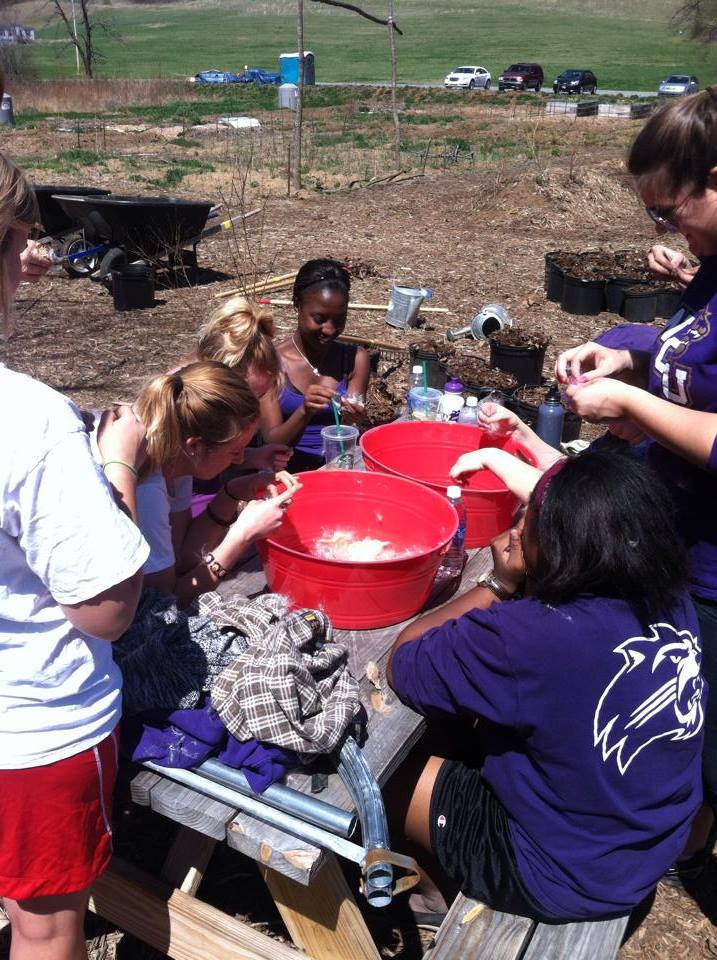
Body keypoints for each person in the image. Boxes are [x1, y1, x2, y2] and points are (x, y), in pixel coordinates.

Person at [387, 451, 705, 923]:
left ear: (556, 546)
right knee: (468, 722)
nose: (518, 526)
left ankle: (436, 890)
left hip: (563, 875)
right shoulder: (670, 594)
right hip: (649, 841)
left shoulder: (536, 635)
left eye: (528, 518)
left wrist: (499, 582)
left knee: (383, 773)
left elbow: (405, 662)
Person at [555, 88, 717, 876]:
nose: (663, 228)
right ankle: (684, 835)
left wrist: (631, 405)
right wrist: (627, 357)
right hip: (683, 537)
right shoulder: (713, 268)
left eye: (669, 208)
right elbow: (695, 359)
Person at [0, 154, 149, 960]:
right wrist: (117, 461)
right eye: (20, 238)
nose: (35, 261)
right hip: (31, 730)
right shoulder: (31, 423)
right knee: (46, 923)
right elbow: (104, 610)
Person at [111, 360, 298, 607]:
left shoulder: (177, 461)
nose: (243, 459)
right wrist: (241, 537)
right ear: (196, 446)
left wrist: (233, 493)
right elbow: (165, 601)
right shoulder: (147, 490)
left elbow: (183, 556)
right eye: (235, 451)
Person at [259, 258, 371, 472]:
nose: (329, 329)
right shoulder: (270, 363)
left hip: (341, 466)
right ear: (297, 304)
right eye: (319, 318)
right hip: (289, 473)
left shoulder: (355, 358)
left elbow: (349, 429)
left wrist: (354, 416)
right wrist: (304, 410)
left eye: (338, 320)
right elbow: (272, 444)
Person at [189, 295, 292, 514]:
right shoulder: (185, 415)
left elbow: (208, 462)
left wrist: (252, 457)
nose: (254, 410)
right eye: (247, 397)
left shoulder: (216, 405)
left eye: (261, 395)